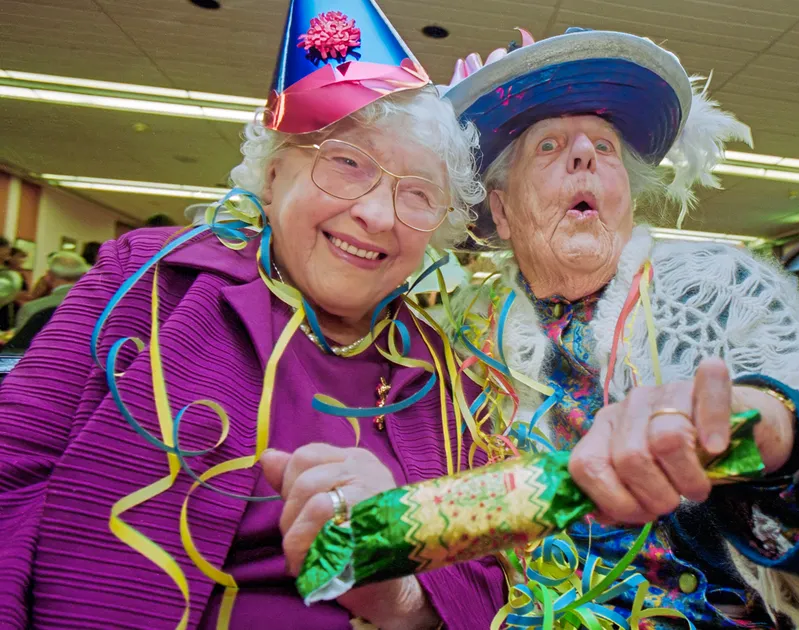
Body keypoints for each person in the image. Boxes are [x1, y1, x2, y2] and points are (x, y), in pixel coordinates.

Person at [434, 28, 799, 629]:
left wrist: (775, 432)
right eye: (549, 146)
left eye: (606, 148)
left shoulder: (713, 288)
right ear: (503, 211)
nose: (585, 153)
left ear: (627, 199)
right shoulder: (466, 328)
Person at [0, 1, 506, 628]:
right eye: (348, 163)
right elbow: (11, 472)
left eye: (418, 194)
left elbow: (488, 572)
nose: (377, 215)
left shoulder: (445, 374)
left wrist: (401, 598)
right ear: (273, 173)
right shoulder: (153, 278)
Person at [10, 251, 89, 334]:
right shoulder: (96, 309)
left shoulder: (32, 309)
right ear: (84, 276)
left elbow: (21, 346)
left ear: (48, 276)